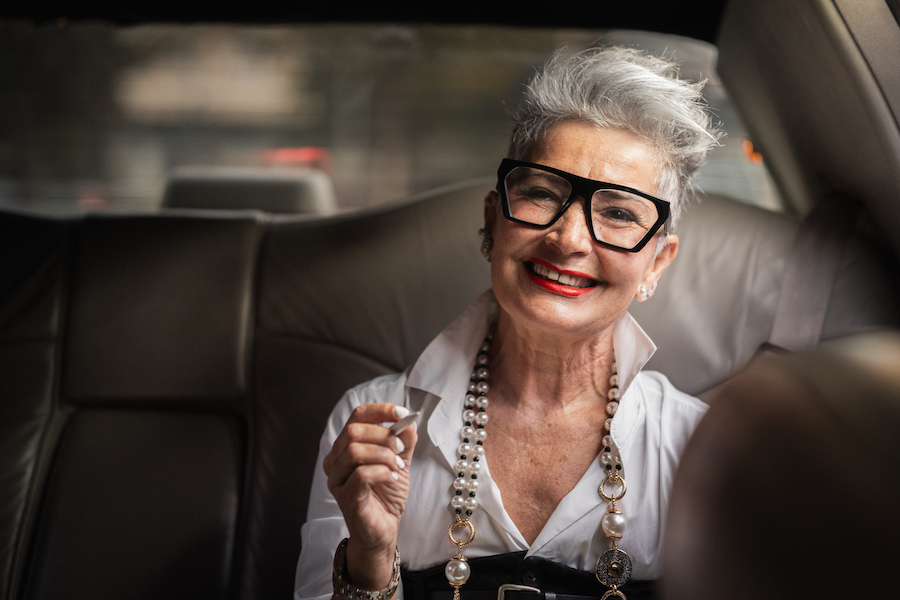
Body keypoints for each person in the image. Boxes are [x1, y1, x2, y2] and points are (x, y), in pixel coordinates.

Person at [295, 45, 720, 600]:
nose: (568, 239)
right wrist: (370, 560)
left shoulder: (704, 452)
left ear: (656, 263)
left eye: (618, 213)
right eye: (542, 194)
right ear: (493, 222)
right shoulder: (372, 430)